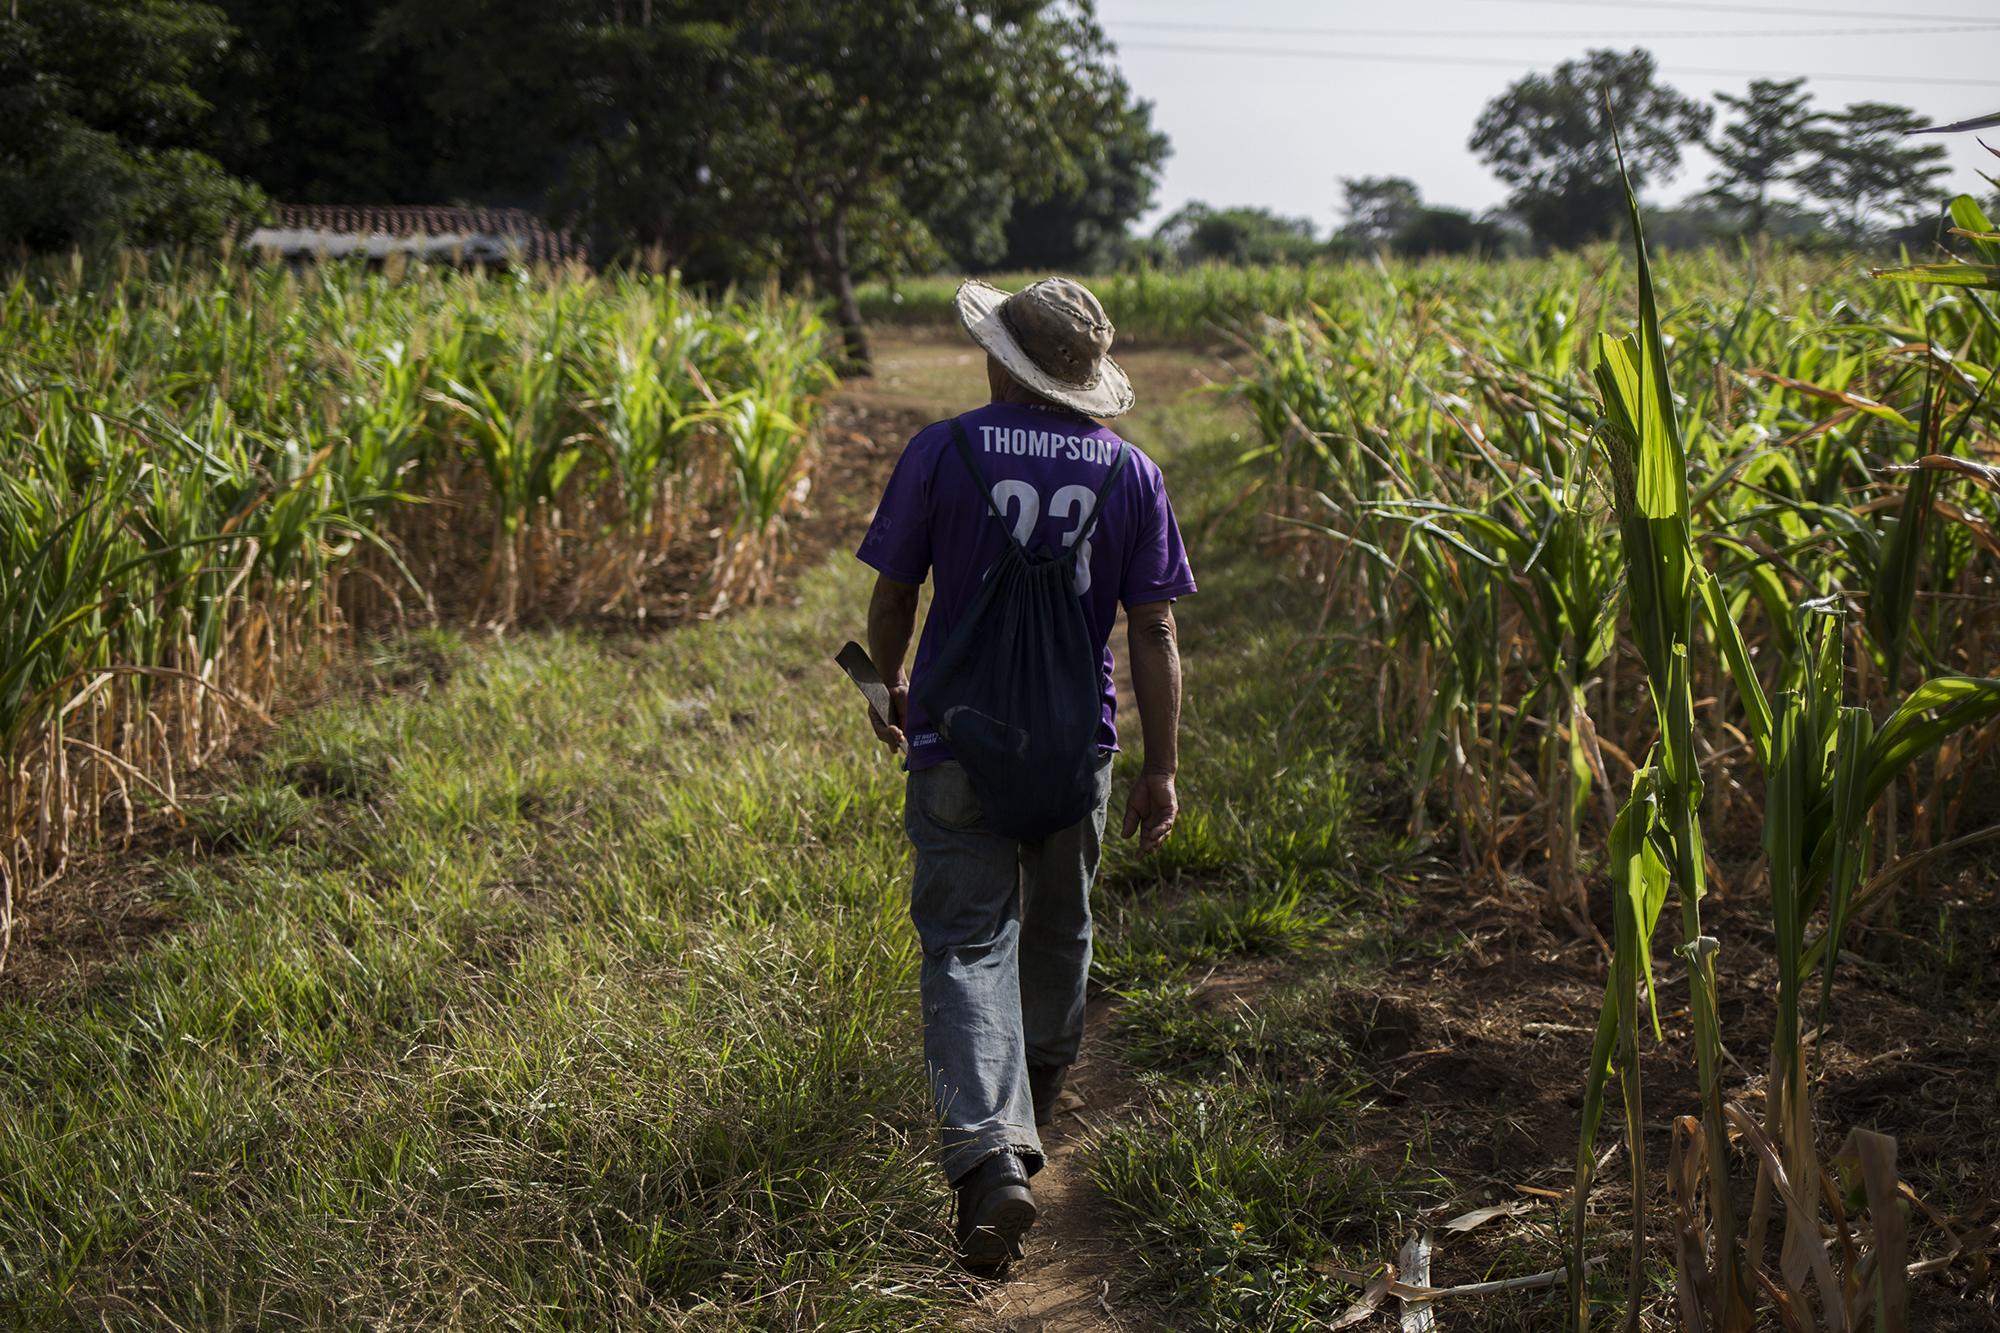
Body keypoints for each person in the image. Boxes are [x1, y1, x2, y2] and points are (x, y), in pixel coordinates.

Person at [854, 276, 1195, 1270]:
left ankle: (986, 1158)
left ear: (1003, 360)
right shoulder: (1129, 474)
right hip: (1072, 750)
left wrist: (889, 689)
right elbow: (1155, 628)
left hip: (956, 739)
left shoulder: (944, 450)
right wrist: (1160, 769)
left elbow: (891, 597)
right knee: (1059, 929)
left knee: (964, 942)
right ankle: (1031, 1117)